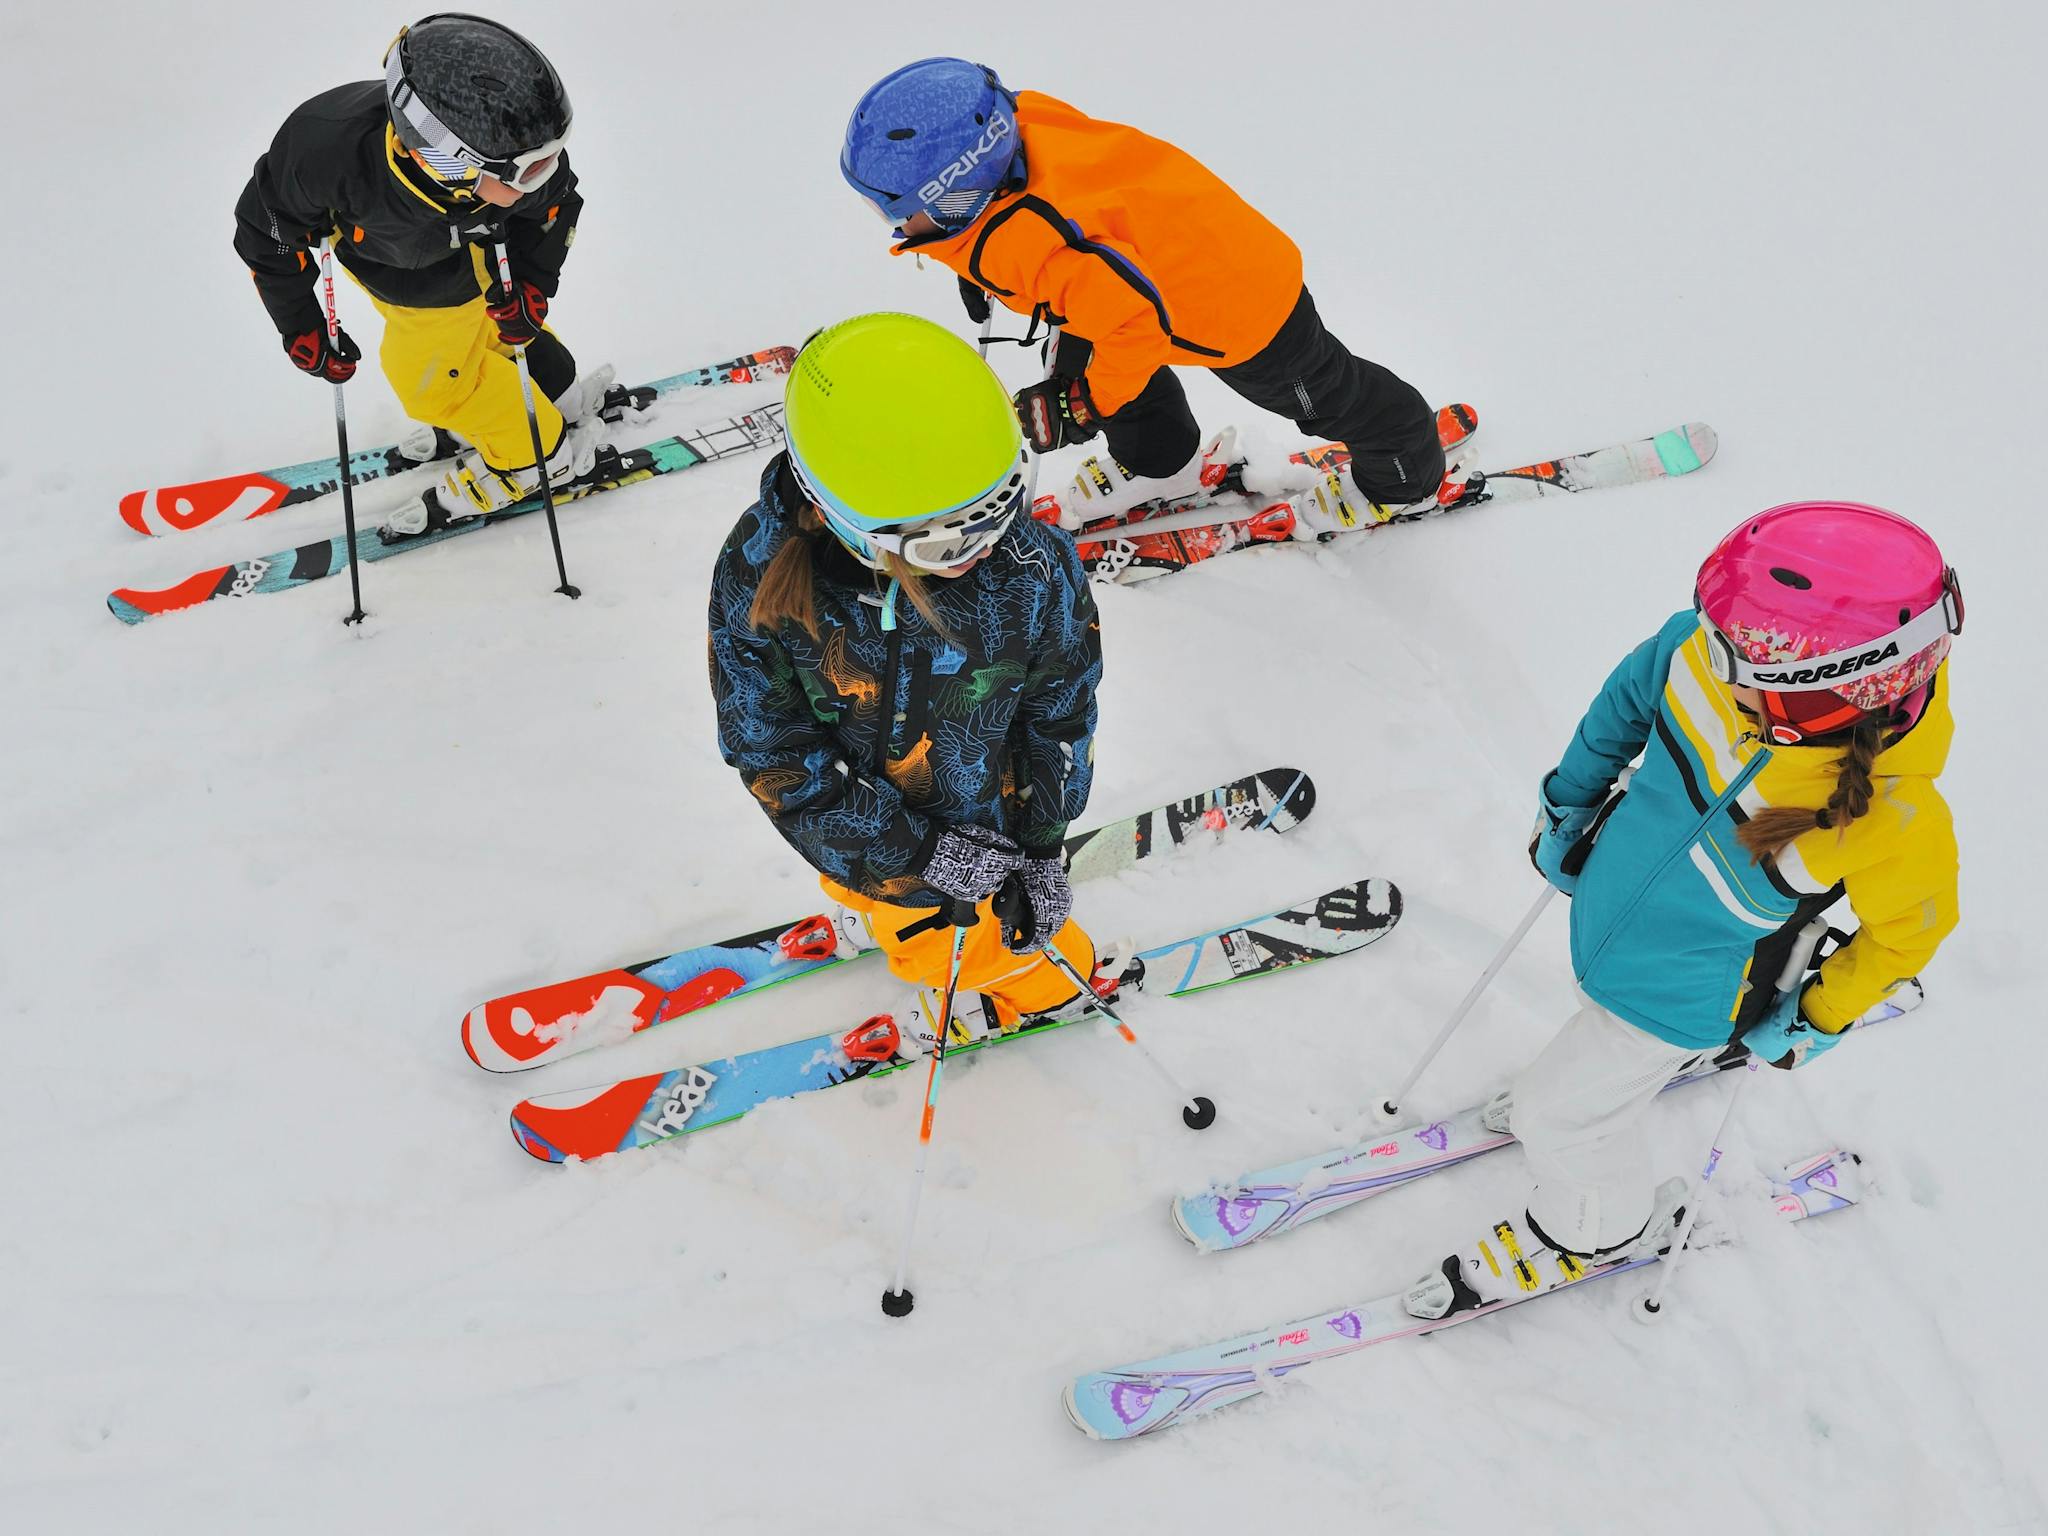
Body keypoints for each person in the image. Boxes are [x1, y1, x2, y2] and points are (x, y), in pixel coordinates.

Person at [1407, 501, 1964, 1319]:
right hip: (1611, 916)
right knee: (1583, 1072)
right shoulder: (1717, 654)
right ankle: (1588, 1102)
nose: (1720, 667)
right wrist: (1570, 805)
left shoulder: (1892, 819)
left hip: (1691, 992)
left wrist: (1816, 1014)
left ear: (1842, 694)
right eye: (1728, 646)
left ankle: (1593, 1229)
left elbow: (1910, 932)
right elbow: (1627, 700)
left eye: (1753, 670)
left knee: (1561, 1120)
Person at [708, 311, 1122, 1051]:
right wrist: (913, 857)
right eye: (943, 536)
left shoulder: (1029, 567)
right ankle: (875, 902)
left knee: (970, 947)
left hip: (982, 828)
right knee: (877, 896)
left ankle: (1057, 985)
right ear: (839, 512)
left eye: (997, 508)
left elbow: (1058, 709)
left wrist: (1043, 843)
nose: (981, 548)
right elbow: (771, 750)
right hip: (857, 830)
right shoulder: (763, 576)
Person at [839, 58, 1450, 534]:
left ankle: (1403, 474)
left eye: (894, 208)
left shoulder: (1043, 244)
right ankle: (1164, 462)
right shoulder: (1015, 137)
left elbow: (1134, 326)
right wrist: (976, 267)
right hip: (1140, 267)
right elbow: (1052, 244)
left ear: (955, 192)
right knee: (1082, 364)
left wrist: (1087, 407)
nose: (890, 224)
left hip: (1239, 309)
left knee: (1325, 394)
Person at [232, 13, 612, 539]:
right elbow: (266, 234)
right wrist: (301, 325)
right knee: (478, 342)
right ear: (446, 160)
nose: (547, 172)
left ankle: (532, 458)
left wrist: (531, 285)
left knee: (433, 390)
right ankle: (553, 392)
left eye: (549, 156)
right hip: (389, 265)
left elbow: (555, 208)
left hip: (446, 285)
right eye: (529, 167)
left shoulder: (513, 171)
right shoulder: (323, 152)